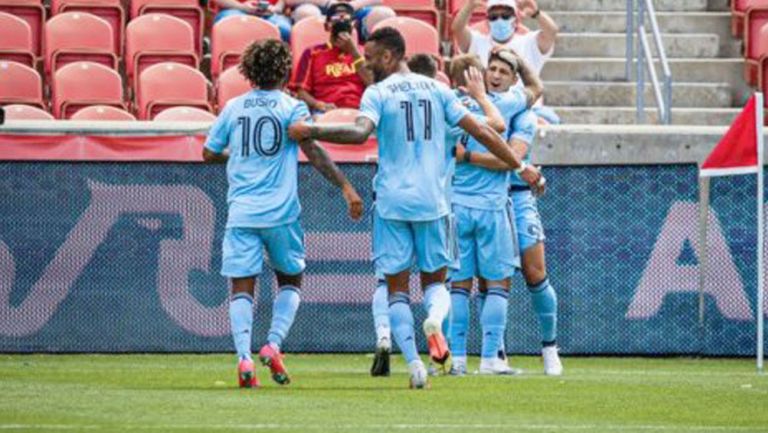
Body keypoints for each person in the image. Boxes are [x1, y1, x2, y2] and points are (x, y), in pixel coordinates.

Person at [289, 27, 543, 389]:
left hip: (392, 203)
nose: (366, 62)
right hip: (435, 203)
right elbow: (487, 131)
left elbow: (360, 133)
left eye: (372, 56)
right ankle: (435, 323)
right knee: (436, 283)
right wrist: (520, 166)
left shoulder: (377, 93)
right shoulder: (439, 91)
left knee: (395, 289)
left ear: (390, 56)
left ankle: (414, 366)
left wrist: (311, 131)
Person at [202, 39, 364, 388]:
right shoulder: (292, 109)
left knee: (241, 287)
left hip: (242, 213)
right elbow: (315, 151)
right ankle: (273, 345)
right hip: (281, 213)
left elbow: (209, 152)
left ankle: (244, 359)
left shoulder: (233, 108)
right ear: (284, 71)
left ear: (248, 71)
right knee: (290, 279)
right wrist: (345, 186)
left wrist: (239, 156)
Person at [459, 54, 563, 377]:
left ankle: (549, 347)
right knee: (486, 279)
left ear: (513, 79)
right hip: (486, 199)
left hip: (516, 197)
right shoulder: (472, 106)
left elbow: (514, 158)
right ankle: (496, 352)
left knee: (535, 273)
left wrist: (466, 157)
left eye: (505, 71)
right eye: (492, 68)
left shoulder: (522, 114)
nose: (496, 75)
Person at [451, 0, 559, 124]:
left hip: (527, 107)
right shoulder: (477, 41)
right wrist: (470, 5)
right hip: (490, 108)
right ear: (487, 21)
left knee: (547, 119)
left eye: (505, 16)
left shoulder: (529, 42)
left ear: (515, 19)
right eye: (494, 17)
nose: (499, 20)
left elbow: (551, 32)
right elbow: (457, 29)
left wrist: (536, 13)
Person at [290, 2, 373, 113]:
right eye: (336, 20)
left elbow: (373, 85)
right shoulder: (312, 53)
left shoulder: (364, 52)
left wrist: (353, 52)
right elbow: (301, 92)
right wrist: (318, 105)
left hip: (359, 111)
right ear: (326, 26)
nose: (341, 23)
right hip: (324, 111)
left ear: (354, 25)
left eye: (346, 20)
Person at [290, 0, 395, 42]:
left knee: (385, 14)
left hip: (355, 9)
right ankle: (315, 63)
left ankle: (374, 66)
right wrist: (328, 3)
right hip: (317, 8)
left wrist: (349, 7)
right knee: (307, 12)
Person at [214, 0, 293, 42]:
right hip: (235, 10)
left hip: (270, 13)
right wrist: (241, 7)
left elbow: (281, 3)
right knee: (228, 25)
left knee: (285, 30)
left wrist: (276, 8)